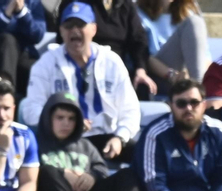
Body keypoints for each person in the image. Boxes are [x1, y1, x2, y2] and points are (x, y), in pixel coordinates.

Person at [22, 3, 140, 160]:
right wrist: (68, 123)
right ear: (61, 31)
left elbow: (130, 109)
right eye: (69, 25)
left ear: (94, 29)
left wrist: (120, 138)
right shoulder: (45, 64)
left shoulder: (111, 61)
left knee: (141, 155)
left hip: (106, 136)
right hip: (65, 139)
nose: (74, 30)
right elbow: (30, 110)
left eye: (80, 24)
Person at [33, 94, 144, 191]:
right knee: (47, 171)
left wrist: (92, 176)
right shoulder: (36, 143)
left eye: (71, 118)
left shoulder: (85, 145)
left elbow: (101, 168)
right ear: (48, 119)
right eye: (60, 118)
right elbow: (30, 175)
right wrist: (63, 174)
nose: (66, 123)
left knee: (127, 174)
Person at [135, 0, 208, 86]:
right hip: (158, 75)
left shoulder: (190, 11)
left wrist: (188, 72)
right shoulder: (138, 12)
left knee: (195, 21)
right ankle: (197, 89)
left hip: (188, 74)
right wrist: (172, 75)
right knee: (193, 22)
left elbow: (206, 56)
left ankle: (197, 88)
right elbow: (143, 56)